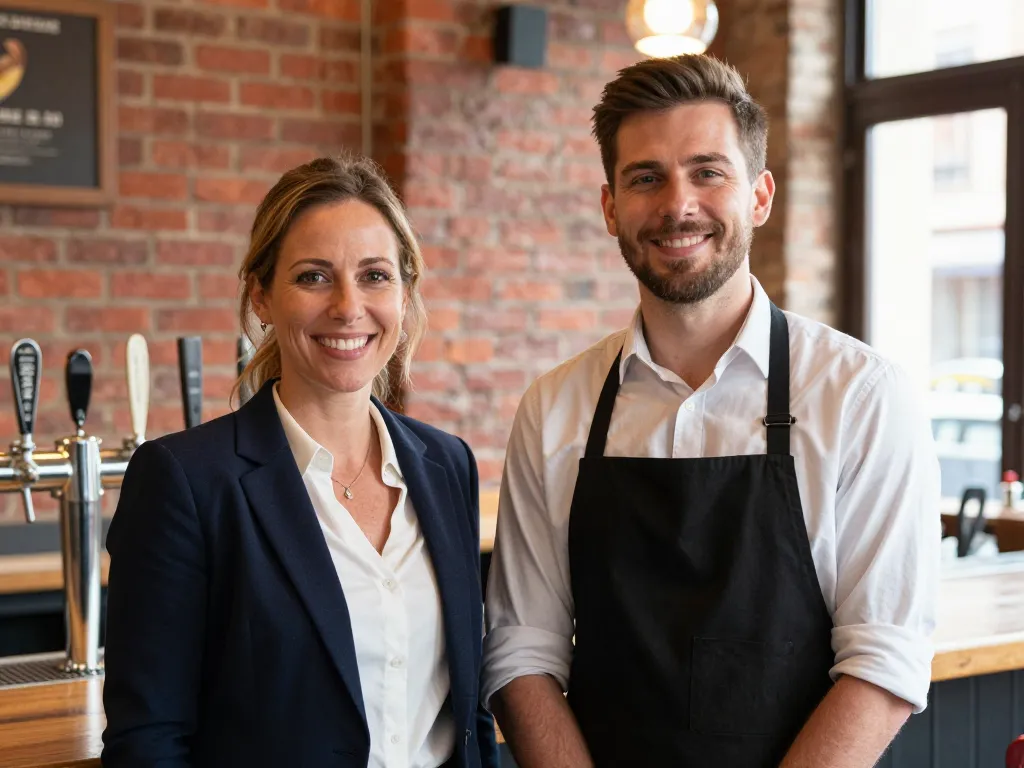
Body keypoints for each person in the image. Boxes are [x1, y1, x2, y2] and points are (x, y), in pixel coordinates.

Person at [482, 54, 940, 767]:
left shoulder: (861, 396)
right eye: (645, 178)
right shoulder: (555, 407)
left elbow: (885, 660)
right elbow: (522, 649)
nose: (677, 204)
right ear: (609, 208)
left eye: (707, 171)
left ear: (759, 196)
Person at [102, 155, 499, 768]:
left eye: (374, 276)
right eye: (314, 277)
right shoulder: (186, 482)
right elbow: (148, 741)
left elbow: (467, 715)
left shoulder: (447, 466)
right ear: (261, 295)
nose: (348, 306)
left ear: (405, 294)